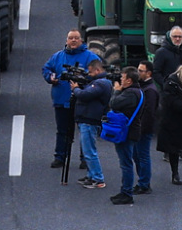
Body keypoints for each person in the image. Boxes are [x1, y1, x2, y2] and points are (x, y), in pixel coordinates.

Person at [42, 29, 101, 167]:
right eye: (71, 38)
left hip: (83, 101)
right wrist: (50, 77)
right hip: (62, 100)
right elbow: (46, 69)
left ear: (81, 40)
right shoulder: (57, 56)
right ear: (66, 40)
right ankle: (60, 157)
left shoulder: (90, 57)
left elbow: (99, 74)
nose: (73, 40)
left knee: (85, 131)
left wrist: (84, 79)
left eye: (76, 38)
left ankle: (85, 159)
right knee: (63, 131)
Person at [71, 58, 113, 189]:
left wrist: (76, 89)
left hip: (89, 120)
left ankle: (98, 178)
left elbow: (85, 95)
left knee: (89, 151)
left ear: (98, 70)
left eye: (90, 72)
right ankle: (90, 175)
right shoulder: (97, 82)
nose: (88, 75)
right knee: (87, 149)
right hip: (86, 118)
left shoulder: (101, 83)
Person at [108, 66, 144, 205]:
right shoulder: (137, 91)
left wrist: (116, 91)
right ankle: (125, 190)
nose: (120, 80)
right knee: (127, 162)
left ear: (129, 80)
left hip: (126, 133)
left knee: (126, 163)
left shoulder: (130, 94)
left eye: (122, 78)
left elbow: (114, 104)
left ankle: (127, 193)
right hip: (132, 131)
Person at [133, 60, 160, 195]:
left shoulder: (150, 91)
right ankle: (142, 181)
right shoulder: (143, 87)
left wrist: (140, 130)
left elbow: (149, 113)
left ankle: (144, 184)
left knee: (142, 156)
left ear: (148, 73)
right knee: (137, 155)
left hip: (143, 129)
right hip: (140, 128)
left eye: (141, 71)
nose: (138, 73)